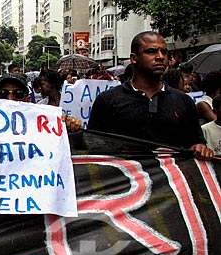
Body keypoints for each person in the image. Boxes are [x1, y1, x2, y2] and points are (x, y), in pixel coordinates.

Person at [88, 31, 213, 160]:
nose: (160, 57)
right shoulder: (108, 100)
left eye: (164, 52)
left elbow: (195, 142)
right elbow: (92, 146)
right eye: (151, 51)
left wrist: (200, 148)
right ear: (134, 58)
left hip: (170, 178)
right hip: (124, 177)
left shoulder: (184, 102)